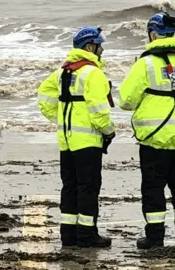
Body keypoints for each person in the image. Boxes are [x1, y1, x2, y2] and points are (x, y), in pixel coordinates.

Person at [117, 12, 175, 252]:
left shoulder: (145, 63)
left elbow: (125, 100)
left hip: (154, 137)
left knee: (153, 188)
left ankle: (155, 237)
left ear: (153, 34)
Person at [37, 26, 116, 248]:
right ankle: (87, 236)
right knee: (88, 189)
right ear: (90, 47)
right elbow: (99, 111)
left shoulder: (62, 72)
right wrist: (109, 130)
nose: (102, 50)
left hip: (66, 140)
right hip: (88, 142)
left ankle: (68, 236)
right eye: (100, 46)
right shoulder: (94, 73)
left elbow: (43, 97)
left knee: (69, 187)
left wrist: (61, 119)